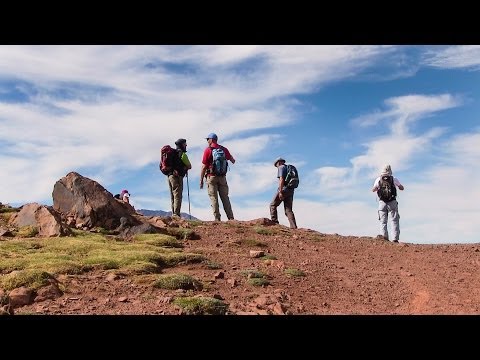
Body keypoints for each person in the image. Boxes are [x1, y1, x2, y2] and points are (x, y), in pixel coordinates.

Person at [200, 132, 235, 221]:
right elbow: (233, 160)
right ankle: (231, 218)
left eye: (208, 139)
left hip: (211, 177)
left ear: (211, 140)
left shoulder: (208, 150)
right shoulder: (223, 149)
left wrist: (201, 180)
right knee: (225, 198)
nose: (207, 141)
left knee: (213, 198)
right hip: (222, 177)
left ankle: (217, 218)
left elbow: (204, 166)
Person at [371, 164, 405, 242]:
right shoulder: (394, 179)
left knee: (383, 221)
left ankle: (384, 238)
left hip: (382, 202)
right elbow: (401, 188)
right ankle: (395, 239)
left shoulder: (378, 179)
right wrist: (399, 186)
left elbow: (373, 189)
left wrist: (378, 188)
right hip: (392, 201)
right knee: (394, 220)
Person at [270, 157, 298, 229]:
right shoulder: (289, 168)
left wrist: (280, 191)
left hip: (284, 189)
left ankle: (274, 222)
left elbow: (281, 179)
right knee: (288, 210)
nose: (277, 167)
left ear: (278, 163)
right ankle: (293, 227)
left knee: (273, 205)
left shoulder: (281, 167)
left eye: (276, 165)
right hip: (291, 190)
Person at [168, 138, 192, 217]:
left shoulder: (172, 153)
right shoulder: (182, 154)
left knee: (172, 195)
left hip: (169, 176)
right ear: (181, 145)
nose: (186, 145)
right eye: (185, 144)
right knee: (177, 195)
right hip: (177, 177)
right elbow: (189, 166)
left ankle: (173, 213)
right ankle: (176, 214)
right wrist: (184, 168)